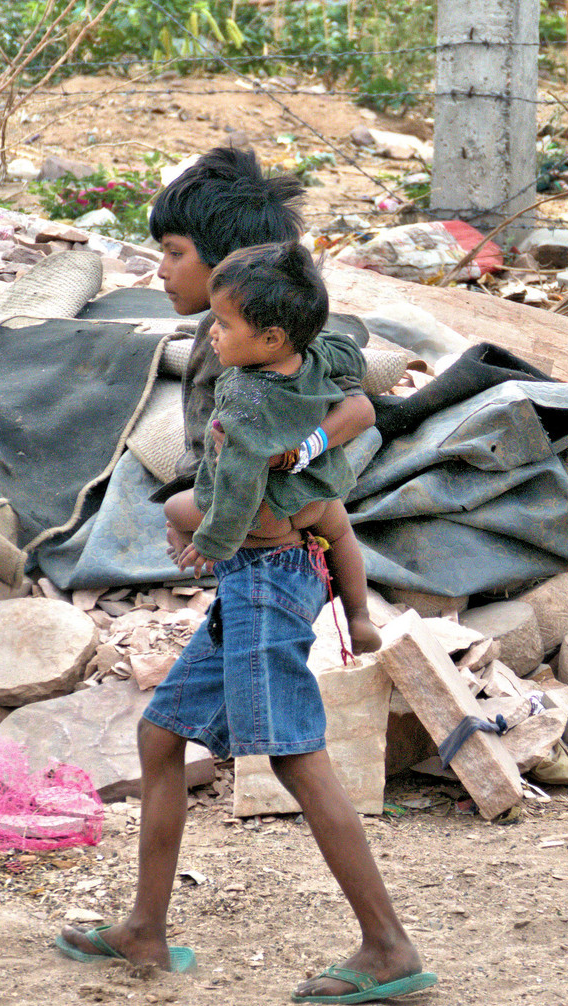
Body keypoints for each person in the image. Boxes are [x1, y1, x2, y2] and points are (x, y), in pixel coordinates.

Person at [56, 242, 434, 1005]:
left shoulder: (249, 401)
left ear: (268, 337)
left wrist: (203, 539)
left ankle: (388, 946)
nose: (213, 337)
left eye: (225, 325)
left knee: (296, 757)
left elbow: (237, 503)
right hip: (263, 583)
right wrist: (316, 447)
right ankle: (145, 931)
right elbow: (361, 399)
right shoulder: (315, 356)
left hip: (266, 581)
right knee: (160, 736)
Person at [150, 146, 380, 652]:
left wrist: (298, 452)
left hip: (259, 499)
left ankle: (261, 548)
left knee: (174, 511)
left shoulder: (245, 352)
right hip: (310, 492)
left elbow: (357, 408)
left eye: (174, 251)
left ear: (230, 263)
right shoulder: (245, 331)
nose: (160, 271)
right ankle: (358, 614)